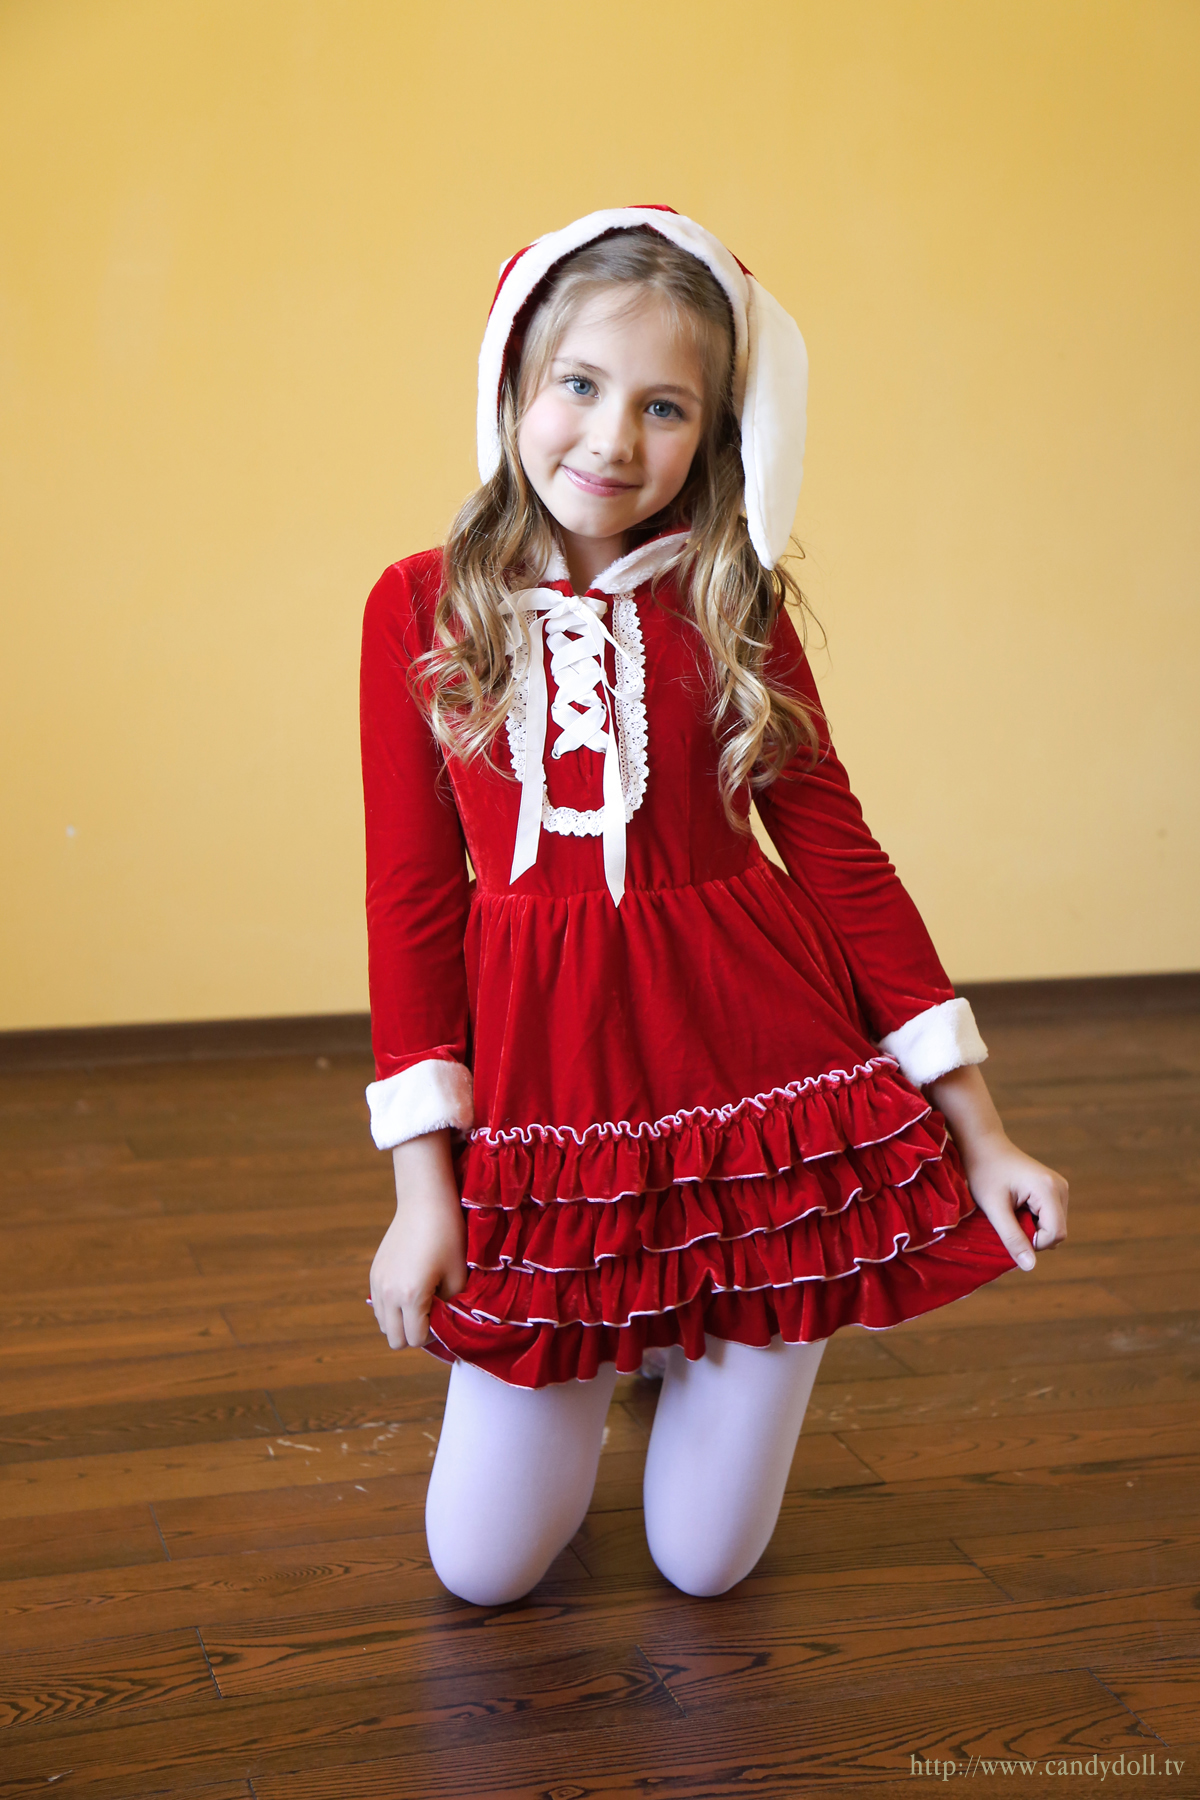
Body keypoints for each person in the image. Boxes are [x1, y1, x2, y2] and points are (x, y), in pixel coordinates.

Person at [361, 206, 1068, 1607]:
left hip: (758, 1065)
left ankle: (732, 1311)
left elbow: (839, 855)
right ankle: (649, 1328)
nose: (612, 439)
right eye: (579, 384)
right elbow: (411, 901)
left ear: (717, 430)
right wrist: (421, 1195)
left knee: (704, 1564)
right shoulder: (417, 606)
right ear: (511, 384)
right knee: (482, 1570)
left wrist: (981, 1130)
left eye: (664, 406)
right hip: (549, 1089)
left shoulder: (731, 596)